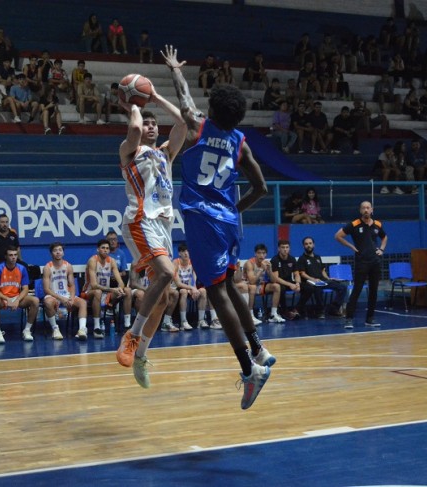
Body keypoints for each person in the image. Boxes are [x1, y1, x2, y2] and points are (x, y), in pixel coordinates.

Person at [151, 45, 274, 409]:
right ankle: (259, 348)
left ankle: (249, 369)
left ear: (214, 109)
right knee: (230, 286)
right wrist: (233, 210)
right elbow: (262, 188)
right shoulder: (240, 143)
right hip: (229, 222)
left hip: (203, 219)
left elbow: (184, 97)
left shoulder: (198, 127)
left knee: (217, 294)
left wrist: (175, 69)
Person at [114, 58, 187, 385]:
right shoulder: (129, 151)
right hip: (140, 220)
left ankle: (141, 354)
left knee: (166, 296)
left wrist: (155, 96)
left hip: (164, 226)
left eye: (155, 124)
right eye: (147, 124)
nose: (151, 127)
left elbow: (184, 122)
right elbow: (132, 130)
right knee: (168, 273)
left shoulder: (165, 153)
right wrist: (133, 103)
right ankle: (132, 335)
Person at [334, 201, 387, 329]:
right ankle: (349, 319)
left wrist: (381, 249)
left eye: (368, 208)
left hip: (375, 262)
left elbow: (384, 237)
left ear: (372, 210)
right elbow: (338, 236)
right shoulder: (354, 224)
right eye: (363, 208)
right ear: (360, 210)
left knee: (373, 291)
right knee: (356, 290)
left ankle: (370, 318)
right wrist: (351, 246)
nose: (366, 210)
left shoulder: (377, 224)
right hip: (361, 262)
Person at [0, 247, 40, 342]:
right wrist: (6, 299)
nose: (13, 257)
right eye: (11, 255)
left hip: (16, 297)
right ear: (5, 256)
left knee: (35, 301)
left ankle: (27, 330)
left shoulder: (22, 269)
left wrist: (17, 300)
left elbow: (25, 289)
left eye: (15, 255)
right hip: (2, 298)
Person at [83, 239, 130, 338]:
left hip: (105, 292)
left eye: (107, 248)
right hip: (90, 292)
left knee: (127, 290)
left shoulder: (112, 261)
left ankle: (127, 325)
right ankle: (97, 327)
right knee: (98, 292)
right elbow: (94, 285)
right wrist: (112, 290)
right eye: (103, 248)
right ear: (98, 249)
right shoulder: (93, 261)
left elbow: (121, 282)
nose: (105, 250)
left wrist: (120, 289)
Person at [42, 242, 88, 340]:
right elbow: (46, 289)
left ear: (63, 252)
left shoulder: (68, 266)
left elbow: (72, 285)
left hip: (66, 294)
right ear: (51, 253)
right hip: (53, 295)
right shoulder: (47, 268)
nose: (58, 252)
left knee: (83, 303)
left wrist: (72, 298)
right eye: (55, 250)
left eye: (60, 250)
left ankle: (82, 330)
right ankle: (55, 329)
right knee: (48, 302)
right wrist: (61, 299)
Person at [296, 236, 348, 318]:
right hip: (311, 282)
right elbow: (302, 273)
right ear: (303, 246)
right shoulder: (302, 259)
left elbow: (322, 270)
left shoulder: (318, 257)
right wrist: (313, 279)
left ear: (313, 245)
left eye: (310, 243)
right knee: (317, 288)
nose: (308, 245)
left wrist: (328, 278)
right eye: (306, 244)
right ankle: (320, 311)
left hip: (323, 281)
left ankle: (333, 308)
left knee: (343, 287)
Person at [244, 243, 283, 323]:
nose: (261, 255)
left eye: (263, 253)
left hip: (260, 286)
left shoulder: (266, 263)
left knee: (276, 286)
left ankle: (273, 314)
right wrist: (261, 269)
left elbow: (273, 280)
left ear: (266, 254)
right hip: (247, 286)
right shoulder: (249, 263)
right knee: (253, 287)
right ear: (255, 254)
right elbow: (251, 281)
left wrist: (270, 270)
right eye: (259, 253)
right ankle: (250, 315)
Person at [172, 243, 207, 330]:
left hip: (189, 288)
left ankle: (201, 321)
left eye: (188, 251)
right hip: (177, 288)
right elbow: (178, 284)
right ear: (179, 253)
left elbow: (194, 280)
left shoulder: (193, 262)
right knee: (183, 291)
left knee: (203, 291)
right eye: (183, 251)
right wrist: (191, 288)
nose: (186, 253)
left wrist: (194, 289)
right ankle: (183, 322)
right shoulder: (175, 263)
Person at [270, 240, 301, 319]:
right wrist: (290, 285)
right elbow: (276, 278)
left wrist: (297, 283)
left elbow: (296, 274)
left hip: (289, 281)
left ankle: (298, 308)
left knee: (308, 287)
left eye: (287, 247)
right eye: (283, 247)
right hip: (279, 282)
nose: (285, 249)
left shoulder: (292, 259)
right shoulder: (274, 260)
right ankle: (284, 312)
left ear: (289, 248)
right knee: (281, 288)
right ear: (279, 249)